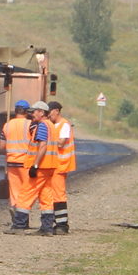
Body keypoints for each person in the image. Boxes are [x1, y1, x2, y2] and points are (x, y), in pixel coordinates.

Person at [0, 100, 37, 234]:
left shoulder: (7, 125)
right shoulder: (30, 125)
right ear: (27, 112)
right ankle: (22, 221)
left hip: (11, 162)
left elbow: (1, 146)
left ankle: (16, 214)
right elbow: (36, 143)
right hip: (25, 163)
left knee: (15, 192)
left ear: (16, 110)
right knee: (27, 191)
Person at [26, 100, 60, 235]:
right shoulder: (51, 125)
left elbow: (43, 146)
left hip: (41, 166)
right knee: (46, 196)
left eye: (34, 112)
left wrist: (35, 165)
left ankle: (19, 223)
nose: (32, 114)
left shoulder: (42, 126)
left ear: (41, 112)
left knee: (26, 193)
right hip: (50, 166)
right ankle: (47, 227)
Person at [44, 100, 75, 233]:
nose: (48, 115)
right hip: (53, 164)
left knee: (59, 195)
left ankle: (62, 225)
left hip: (60, 165)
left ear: (56, 111)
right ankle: (54, 222)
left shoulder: (64, 125)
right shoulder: (54, 125)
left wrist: (45, 142)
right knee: (51, 194)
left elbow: (61, 143)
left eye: (49, 112)